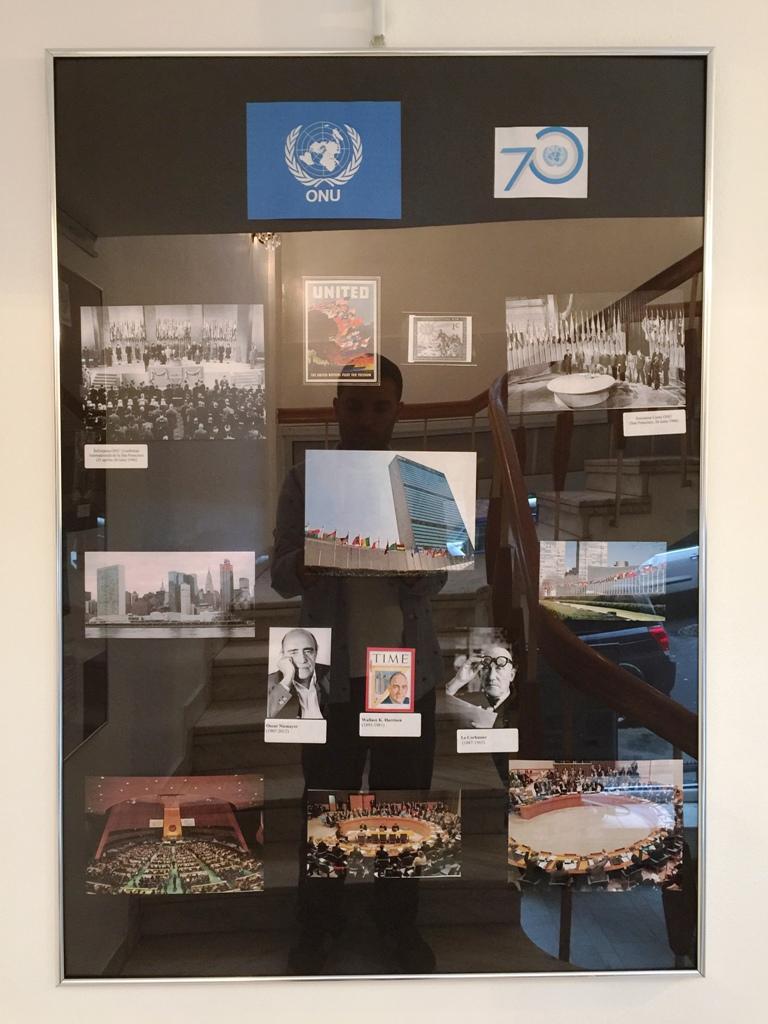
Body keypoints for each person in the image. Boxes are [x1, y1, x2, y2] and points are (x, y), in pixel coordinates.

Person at [272, 356, 445, 974]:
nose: (367, 417)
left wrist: (417, 567)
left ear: (397, 409)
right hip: (322, 671)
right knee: (327, 802)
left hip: (399, 667)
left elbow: (440, 575)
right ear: (336, 409)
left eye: (379, 406)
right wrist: (309, 560)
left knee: (401, 802)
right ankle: (319, 925)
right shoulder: (304, 479)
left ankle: (397, 924)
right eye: (355, 405)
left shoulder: (421, 481)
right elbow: (279, 573)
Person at [445, 644, 518, 730]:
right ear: (480, 675)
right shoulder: (468, 703)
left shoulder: (525, 708)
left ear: (511, 675)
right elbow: (438, 709)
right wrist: (458, 681)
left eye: (499, 668)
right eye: (486, 668)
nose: (491, 677)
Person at [266, 628, 330, 719]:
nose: (302, 660)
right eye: (293, 652)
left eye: (308, 651)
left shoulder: (331, 674)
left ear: (316, 653)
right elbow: (266, 716)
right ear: (283, 655)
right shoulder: (270, 682)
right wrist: (288, 678)